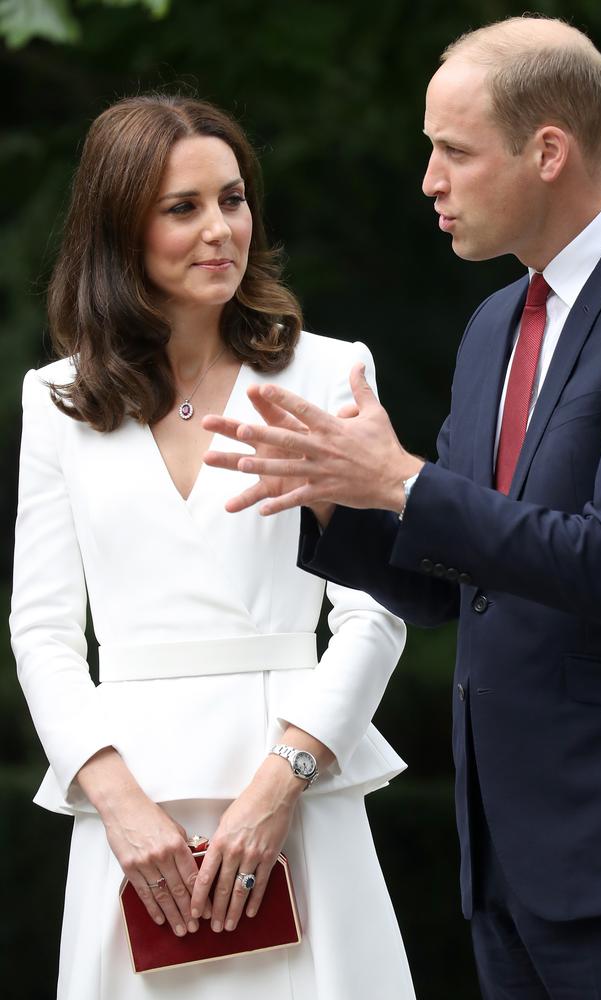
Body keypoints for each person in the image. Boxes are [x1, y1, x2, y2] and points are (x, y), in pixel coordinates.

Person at [202, 16, 601, 999]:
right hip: (500, 862)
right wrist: (330, 500)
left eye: (450, 150)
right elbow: (452, 586)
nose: (427, 181)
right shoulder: (494, 321)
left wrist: (399, 481)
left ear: (545, 152)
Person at [9, 93, 417, 1000]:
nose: (220, 230)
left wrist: (284, 781)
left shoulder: (327, 373)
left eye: (232, 200)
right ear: (119, 230)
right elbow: (40, 633)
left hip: (298, 790)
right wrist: (115, 800)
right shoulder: (56, 400)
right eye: (182, 208)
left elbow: (374, 608)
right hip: (130, 820)